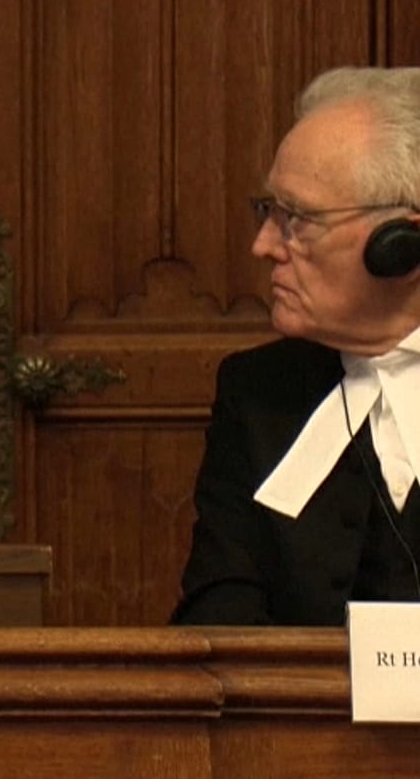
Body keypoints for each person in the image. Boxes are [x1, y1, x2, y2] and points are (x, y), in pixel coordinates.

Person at [174, 67, 420, 625]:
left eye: (298, 220)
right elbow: (218, 612)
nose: (264, 245)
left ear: (402, 245)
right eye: (269, 212)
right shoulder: (257, 393)